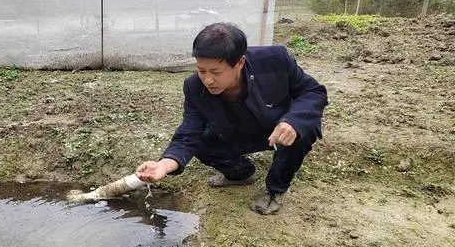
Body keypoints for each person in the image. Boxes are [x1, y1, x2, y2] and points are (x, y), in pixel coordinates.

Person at [136, 22, 328, 215]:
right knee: (202, 141)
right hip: (238, 132)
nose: (208, 80)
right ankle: (240, 173)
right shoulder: (194, 87)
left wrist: (292, 121)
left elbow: (313, 92)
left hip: (279, 129)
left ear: (240, 63)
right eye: (202, 71)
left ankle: (276, 189)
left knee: (304, 128)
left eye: (216, 72)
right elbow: (189, 132)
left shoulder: (275, 60)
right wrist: (163, 165)